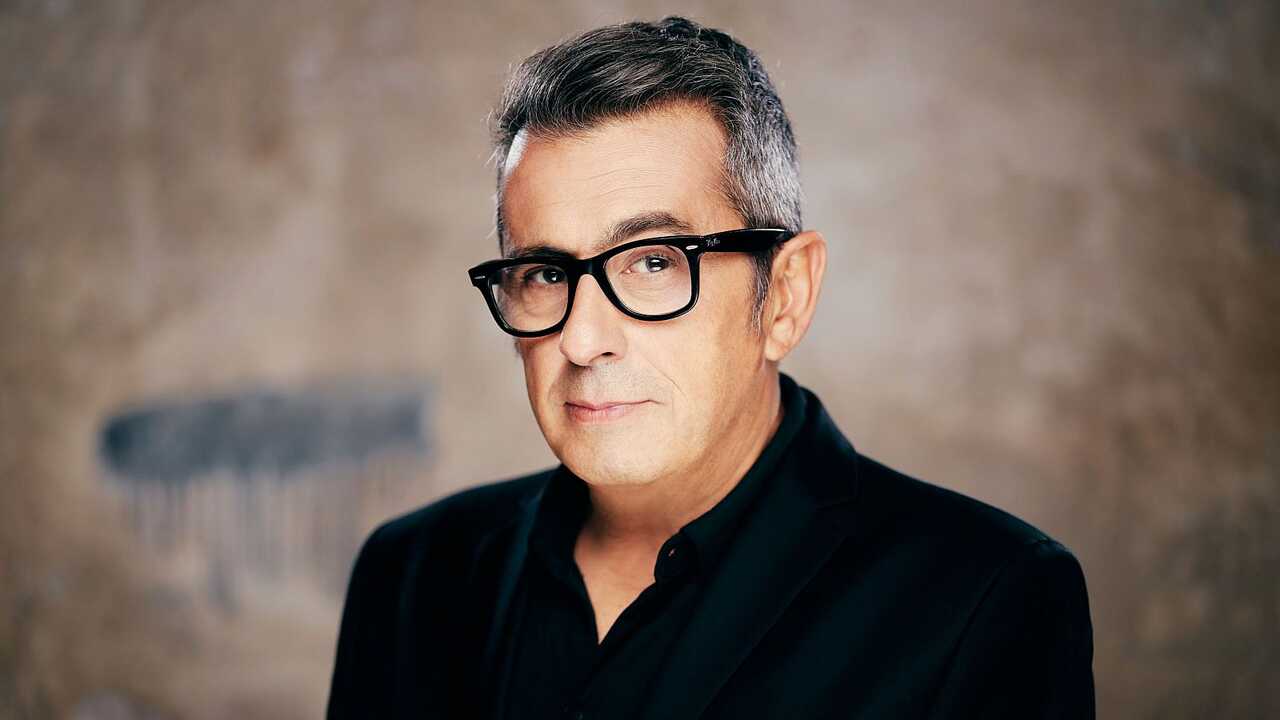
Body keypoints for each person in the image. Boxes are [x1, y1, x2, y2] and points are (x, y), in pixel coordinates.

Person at [326, 15, 1094, 720]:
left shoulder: (984, 598)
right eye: (547, 274)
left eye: (654, 262)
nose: (583, 340)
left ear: (785, 295)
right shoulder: (410, 577)